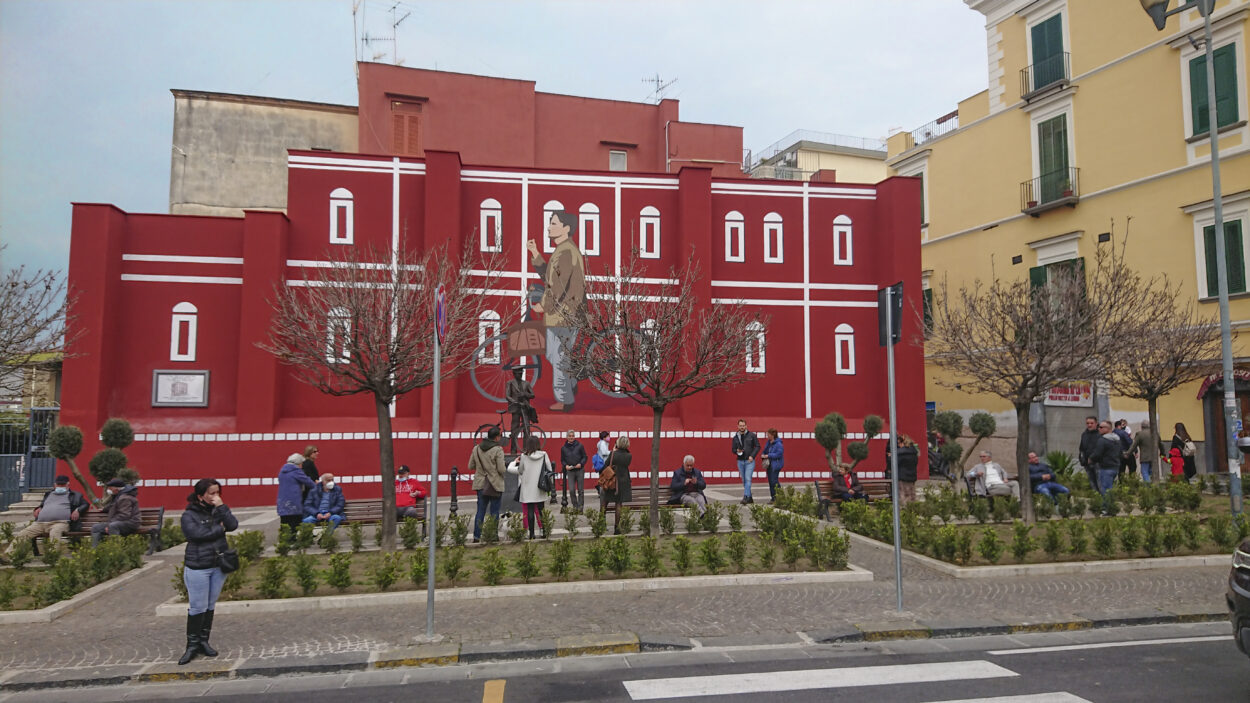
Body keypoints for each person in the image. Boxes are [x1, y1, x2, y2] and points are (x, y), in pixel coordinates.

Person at [528, 210, 585, 413]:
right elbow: (551, 278)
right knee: (556, 356)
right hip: (562, 315)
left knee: (559, 357)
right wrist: (535, 254)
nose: (548, 227)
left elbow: (557, 286)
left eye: (553, 223)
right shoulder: (562, 250)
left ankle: (565, 400)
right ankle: (571, 384)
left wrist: (543, 305)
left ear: (566, 228)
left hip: (564, 316)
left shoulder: (566, 252)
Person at [178, 477, 238, 665]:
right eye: (211, 493)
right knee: (197, 606)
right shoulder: (189, 515)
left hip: (218, 564)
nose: (215, 496)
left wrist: (222, 508)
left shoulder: (217, 510)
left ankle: (204, 641)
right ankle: (192, 645)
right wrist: (219, 530)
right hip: (198, 566)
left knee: (210, 605)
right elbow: (196, 535)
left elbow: (233, 525)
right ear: (200, 496)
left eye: (217, 492)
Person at [1, 475, 89, 562]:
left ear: (68, 485)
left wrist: (78, 510)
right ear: (55, 485)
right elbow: (43, 505)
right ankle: (8, 556)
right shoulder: (48, 494)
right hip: (40, 523)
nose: (60, 486)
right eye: (58, 485)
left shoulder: (75, 495)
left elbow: (85, 504)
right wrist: (38, 508)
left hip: (60, 523)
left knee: (55, 533)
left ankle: (52, 557)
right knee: (22, 534)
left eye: (62, 485)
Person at [509, 435, 552, 539]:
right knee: (541, 510)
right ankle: (543, 532)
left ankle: (531, 534)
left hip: (527, 487)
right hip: (540, 486)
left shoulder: (524, 456)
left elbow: (520, 470)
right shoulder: (544, 454)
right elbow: (549, 469)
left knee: (530, 511)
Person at [470, 427, 507, 543]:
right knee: (494, 511)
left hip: (480, 483)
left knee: (480, 510)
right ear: (496, 437)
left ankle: (477, 536)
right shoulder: (498, 450)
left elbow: (470, 466)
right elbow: (501, 469)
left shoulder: (476, 449)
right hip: (494, 484)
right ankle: (493, 535)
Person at [91, 478, 140, 546]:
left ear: (116, 488)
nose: (109, 490)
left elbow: (124, 515)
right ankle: (95, 551)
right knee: (96, 528)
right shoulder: (118, 495)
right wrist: (104, 509)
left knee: (113, 526)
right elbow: (114, 506)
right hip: (119, 522)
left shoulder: (125, 498)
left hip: (131, 523)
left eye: (110, 488)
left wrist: (109, 524)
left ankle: (116, 550)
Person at [600, 436, 633, 534]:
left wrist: (614, 451)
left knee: (605, 503)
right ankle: (617, 528)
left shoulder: (613, 454)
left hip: (611, 481)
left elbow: (606, 465)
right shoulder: (628, 456)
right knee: (618, 504)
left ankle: (600, 524)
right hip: (622, 482)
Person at [1089, 420, 1122, 513]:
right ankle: (1110, 507)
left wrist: (1091, 459)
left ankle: (1107, 509)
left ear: (1108, 429)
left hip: (1105, 467)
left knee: (1105, 489)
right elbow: (1120, 453)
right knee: (1110, 488)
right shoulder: (1117, 439)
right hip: (1115, 466)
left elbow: (1098, 453)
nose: (1099, 428)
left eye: (1101, 427)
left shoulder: (1102, 440)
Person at [277, 453, 315, 533]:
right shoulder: (296, 471)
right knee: (295, 522)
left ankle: (284, 540)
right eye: (301, 464)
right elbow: (308, 482)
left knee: (284, 522)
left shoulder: (282, 471)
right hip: (294, 501)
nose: (302, 466)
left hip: (283, 501)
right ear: (298, 463)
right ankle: (293, 540)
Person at [506, 367, 536, 454]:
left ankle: (526, 449)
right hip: (515, 408)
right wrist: (515, 402)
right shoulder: (510, 383)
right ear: (514, 374)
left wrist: (525, 394)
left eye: (521, 373)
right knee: (514, 429)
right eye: (518, 373)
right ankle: (513, 450)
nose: (520, 374)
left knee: (526, 429)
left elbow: (532, 395)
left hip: (525, 408)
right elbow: (507, 396)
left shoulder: (526, 383)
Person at [731, 419, 760, 505]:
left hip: (749, 460)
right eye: (740, 426)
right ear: (738, 426)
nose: (742, 427)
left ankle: (746, 496)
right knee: (744, 480)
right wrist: (737, 451)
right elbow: (732, 450)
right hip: (740, 461)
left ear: (746, 426)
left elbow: (757, 446)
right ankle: (750, 497)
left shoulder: (752, 435)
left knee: (748, 478)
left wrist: (752, 456)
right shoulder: (735, 437)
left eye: (743, 425)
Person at [560, 430, 588, 510]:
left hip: (579, 470)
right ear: (567, 437)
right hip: (570, 471)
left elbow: (585, 457)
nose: (571, 437)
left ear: (574, 437)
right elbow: (562, 460)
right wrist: (565, 465)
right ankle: (575, 506)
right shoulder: (563, 448)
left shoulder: (580, 446)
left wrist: (581, 464)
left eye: (572, 436)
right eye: (570, 436)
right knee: (571, 490)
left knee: (580, 490)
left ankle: (580, 507)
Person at [891, 435, 920, 505]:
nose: (898, 445)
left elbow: (895, 464)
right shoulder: (914, 452)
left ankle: (904, 511)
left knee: (903, 495)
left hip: (902, 476)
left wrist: (890, 457)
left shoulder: (900, 453)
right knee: (912, 494)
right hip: (912, 476)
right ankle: (913, 510)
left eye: (899, 443)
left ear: (903, 443)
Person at [1077, 416, 1100, 492]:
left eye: (1092, 423)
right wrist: (1081, 459)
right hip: (1087, 463)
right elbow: (1081, 448)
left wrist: (1093, 458)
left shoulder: (1100, 434)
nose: (1089, 425)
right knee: (1092, 482)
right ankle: (1096, 497)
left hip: (1097, 463)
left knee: (1099, 482)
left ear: (1096, 423)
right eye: (1087, 423)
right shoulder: (1084, 434)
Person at [762, 429, 785, 502]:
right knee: (771, 481)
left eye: (768, 434)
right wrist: (763, 454)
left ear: (773, 435)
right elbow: (765, 450)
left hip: (775, 465)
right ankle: (773, 497)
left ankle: (779, 496)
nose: (767, 436)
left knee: (774, 481)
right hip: (769, 465)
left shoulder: (778, 444)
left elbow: (779, 454)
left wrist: (769, 455)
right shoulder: (768, 443)